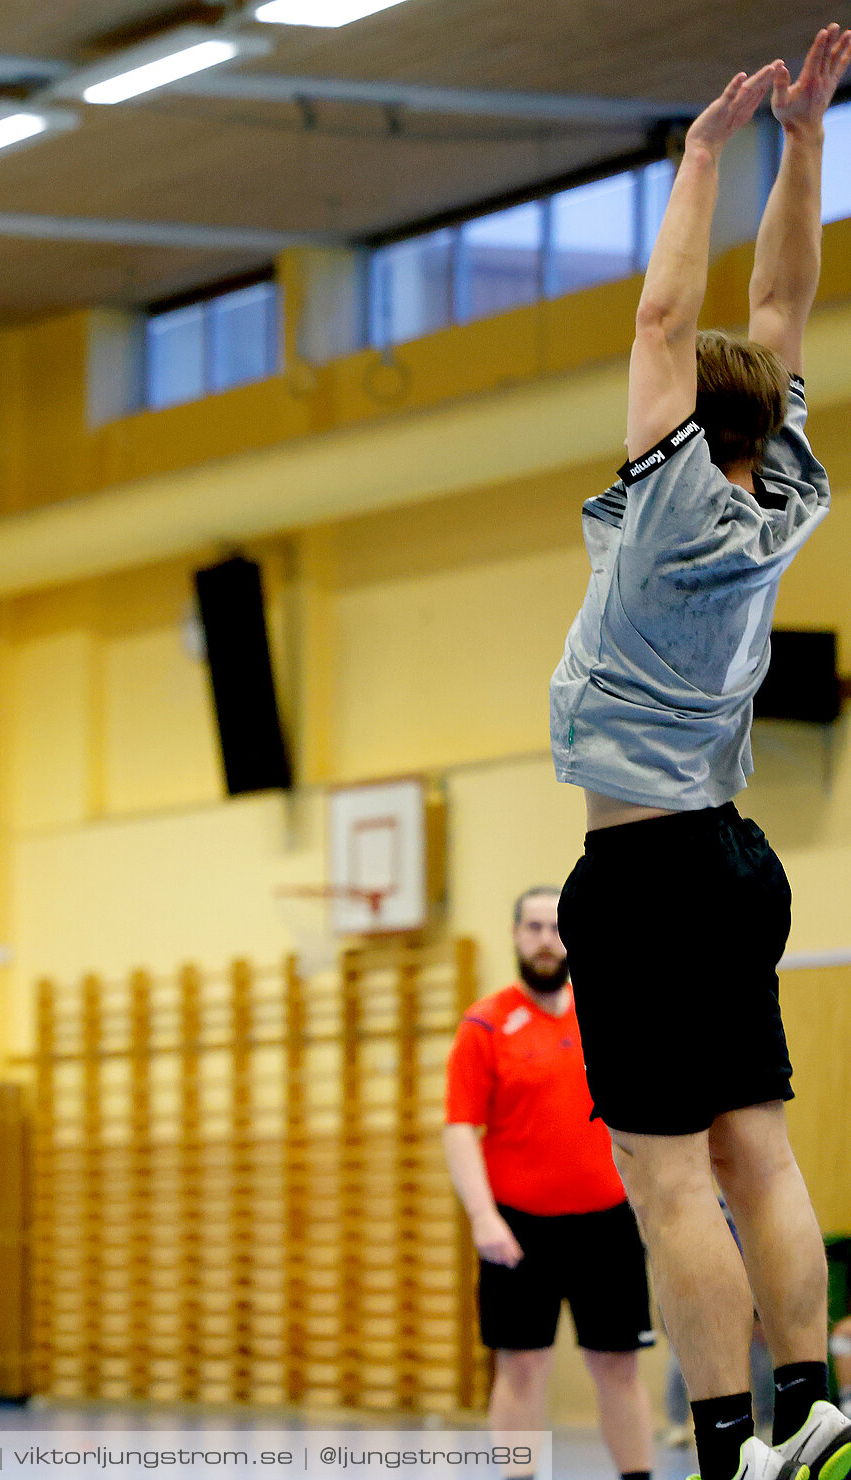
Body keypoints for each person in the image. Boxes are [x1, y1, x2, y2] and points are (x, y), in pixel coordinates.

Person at [549, 26, 851, 1480]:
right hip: (735, 858)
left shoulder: (669, 504)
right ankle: (814, 1402)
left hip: (652, 864)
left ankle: (725, 1444)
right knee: (763, 1153)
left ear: (682, 425)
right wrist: (810, 146)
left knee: (667, 1177)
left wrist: (704, 155)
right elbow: (783, 299)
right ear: (761, 422)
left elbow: (673, 313)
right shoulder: (777, 491)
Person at [443, 886, 655, 1480]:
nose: (545, 940)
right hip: (518, 1226)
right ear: (515, 935)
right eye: (533, 927)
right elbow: (460, 1127)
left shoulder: (606, 1016)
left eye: (556, 927)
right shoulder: (484, 1024)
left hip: (608, 1222)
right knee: (522, 1367)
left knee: (618, 1367)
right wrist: (484, 1217)